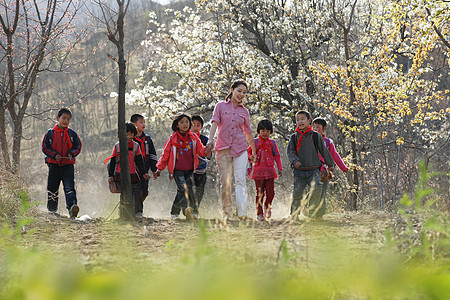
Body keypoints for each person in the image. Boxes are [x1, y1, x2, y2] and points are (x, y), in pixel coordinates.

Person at [206, 79, 256, 220]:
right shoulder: (220, 106)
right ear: (232, 90)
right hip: (223, 148)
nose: (241, 94)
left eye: (244, 92)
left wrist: (253, 151)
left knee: (240, 180)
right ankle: (227, 213)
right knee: (225, 182)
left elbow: (248, 132)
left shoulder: (244, 111)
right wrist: (210, 140)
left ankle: (242, 213)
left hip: (240, 149)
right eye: (239, 91)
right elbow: (215, 123)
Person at [154, 113, 211, 220]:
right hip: (177, 170)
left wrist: (207, 149)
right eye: (182, 122)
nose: (185, 124)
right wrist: (159, 168)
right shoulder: (173, 139)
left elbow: (201, 150)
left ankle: (191, 212)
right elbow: (165, 155)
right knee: (182, 189)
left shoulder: (193, 137)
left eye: (187, 122)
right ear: (177, 125)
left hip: (190, 170)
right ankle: (186, 210)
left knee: (191, 189)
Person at [287, 111, 334, 220]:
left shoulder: (315, 136)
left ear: (309, 121)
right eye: (297, 119)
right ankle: (294, 215)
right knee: (297, 193)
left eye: (302, 119)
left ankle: (312, 212)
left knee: (316, 190)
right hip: (299, 171)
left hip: (314, 170)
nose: (300, 121)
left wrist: (330, 163)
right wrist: (295, 161)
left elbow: (323, 151)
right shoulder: (294, 137)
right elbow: (290, 152)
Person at [42, 108, 82, 219]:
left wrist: (71, 154)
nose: (66, 121)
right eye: (64, 118)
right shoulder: (50, 133)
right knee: (52, 187)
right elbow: (45, 147)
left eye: (68, 119)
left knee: (69, 187)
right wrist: (54, 155)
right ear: (57, 118)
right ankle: (52, 210)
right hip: (54, 165)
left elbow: (78, 147)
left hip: (68, 165)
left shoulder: (72, 134)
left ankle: (72, 208)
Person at [106, 122, 151, 219]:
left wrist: (144, 173)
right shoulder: (117, 146)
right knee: (125, 193)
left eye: (131, 134)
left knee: (137, 192)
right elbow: (112, 162)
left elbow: (140, 161)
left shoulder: (136, 146)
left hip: (133, 174)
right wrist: (111, 176)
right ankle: (123, 213)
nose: (129, 137)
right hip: (119, 175)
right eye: (127, 134)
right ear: (120, 135)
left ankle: (138, 212)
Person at [312, 118, 349, 216]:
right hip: (311, 171)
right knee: (313, 191)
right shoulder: (309, 140)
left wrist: (343, 168)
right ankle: (309, 209)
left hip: (324, 171)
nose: (315, 129)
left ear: (324, 129)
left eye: (318, 127)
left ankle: (319, 215)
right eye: (313, 127)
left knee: (322, 193)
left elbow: (335, 155)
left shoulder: (328, 142)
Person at [248, 119, 283, 221]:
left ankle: (267, 207)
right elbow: (248, 152)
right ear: (259, 131)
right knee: (259, 193)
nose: (265, 133)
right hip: (258, 171)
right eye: (263, 130)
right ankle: (259, 213)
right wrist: (250, 157)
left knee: (271, 192)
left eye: (267, 131)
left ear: (270, 132)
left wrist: (279, 168)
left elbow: (277, 156)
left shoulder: (272, 143)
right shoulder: (254, 142)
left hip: (269, 171)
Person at [131, 114, 158, 218]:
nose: (143, 124)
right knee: (136, 189)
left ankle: (136, 206)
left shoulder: (147, 139)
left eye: (144, 122)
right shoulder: (131, 140)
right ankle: (138, 212)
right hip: (135, 170)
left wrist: (154, 169)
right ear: (134, 124)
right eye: (141, 122)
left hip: (145, 170)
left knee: (144, 191)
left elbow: (152, 154)